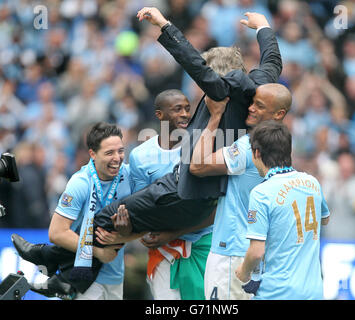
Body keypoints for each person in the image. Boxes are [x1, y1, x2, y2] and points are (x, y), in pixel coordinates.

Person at [12, 7, 281, 294]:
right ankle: (64, 280)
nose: (198, 88)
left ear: (216, 75)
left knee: (105, 219)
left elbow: (192, 63)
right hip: (198, 200)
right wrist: (264, 26)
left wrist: (164, 24)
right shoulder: (258, 88)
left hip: (183, 192)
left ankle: (47, 258)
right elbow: (273, 61)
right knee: (111, 229)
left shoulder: (221, 92)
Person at [97, 89, 213, 300]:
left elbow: (216, 206)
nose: (185, 114)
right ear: (159, 115)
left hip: (204, 244)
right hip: (163, 248)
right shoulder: (141, 156)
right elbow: (144, 209)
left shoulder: (203, 147)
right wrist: (128, 229)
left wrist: (175, 233)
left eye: (188, 109)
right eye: (178, 109)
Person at [12, 122, 140, 299]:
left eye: (120, 151)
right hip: (83, 278)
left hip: (115, 276)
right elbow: (56, 233)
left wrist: (121, 237)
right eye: (109, 153)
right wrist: (98, 252)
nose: (117, 158)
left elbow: (146, 225)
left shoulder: (130, 176)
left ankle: (44, 255)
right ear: (92, 154)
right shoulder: (80, 182)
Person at [189, 83, 292, 300]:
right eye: (252, 102)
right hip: (257, 254)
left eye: (259, 106)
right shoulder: (283, 147)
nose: (251, 108)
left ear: (279, 114)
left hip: (232, 253)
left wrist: (214, 117)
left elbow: (197, 166)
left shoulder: (249, 147)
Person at [235, 120, 330, 300]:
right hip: (314, 292)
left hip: (277, 292)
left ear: (256, 153)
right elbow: (324, 219)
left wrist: (243, 272)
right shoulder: (312, 182)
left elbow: (256, 251)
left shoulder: (261, 193)